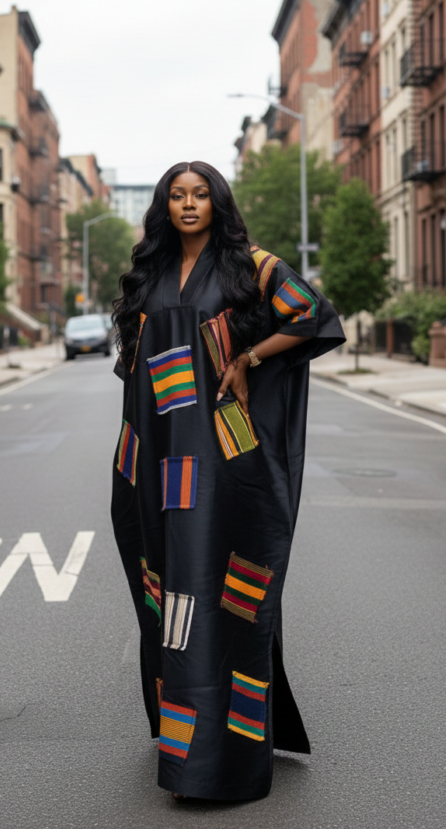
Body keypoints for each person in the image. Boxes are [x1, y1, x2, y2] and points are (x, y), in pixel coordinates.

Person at [111, 161, 345, 802]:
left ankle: (219, 759)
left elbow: (312, 317)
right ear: (164, 207)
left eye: (201, 194)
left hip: (223, 461)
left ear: (218, 202)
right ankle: (187, 732)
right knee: (168, 590)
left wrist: (247, 355)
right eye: (177, 196)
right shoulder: (149, 274)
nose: (189, 205)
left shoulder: (254, 266)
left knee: (221, 589)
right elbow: (134, 371)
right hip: (157, 461)